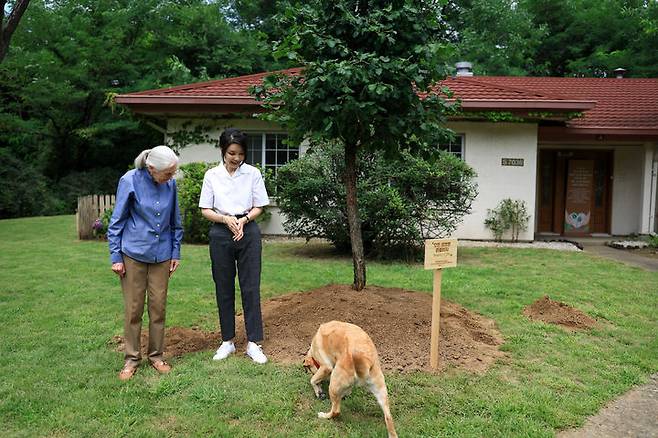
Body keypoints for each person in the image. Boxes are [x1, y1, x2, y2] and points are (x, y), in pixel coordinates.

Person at [107, 145, 183, 381]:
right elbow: (116, 221)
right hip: (133, 255)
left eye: (172, 173)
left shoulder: (170, 184)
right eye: (168, 173)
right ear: (151, 168)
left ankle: (156, 356)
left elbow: (175, 222)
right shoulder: (130, 180)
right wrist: (116, 257)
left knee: (158, 307)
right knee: (134, 309)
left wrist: (175, 252)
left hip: (161, 256)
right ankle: (131, 359)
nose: (171, 178)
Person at [199, 128, 270, 364]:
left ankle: (253, 342)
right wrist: (226, 220)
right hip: (221, 232)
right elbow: (206, 209)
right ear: (223, 151)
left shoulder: (253, 174)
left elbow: (259, 205)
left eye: (240, 153)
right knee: (224, 287)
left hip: (247, 231)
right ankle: (227, 341)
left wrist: (244, 219)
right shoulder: (212, 175)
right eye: (232, 153)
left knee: (250, 287)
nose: (236, 158)